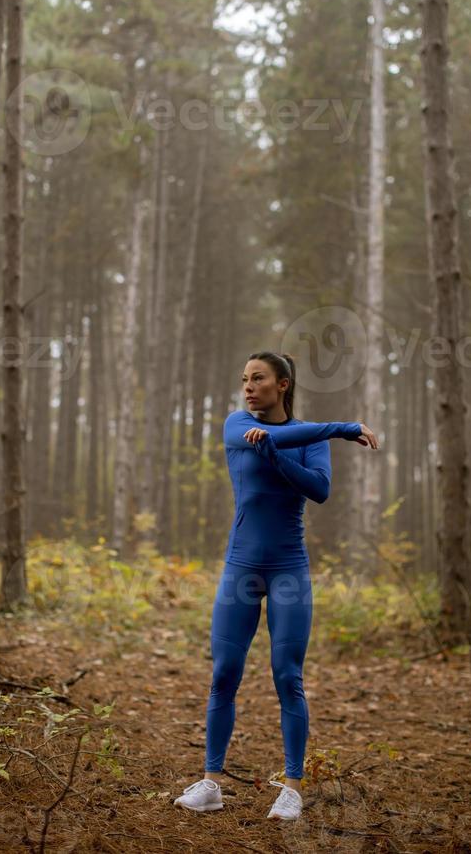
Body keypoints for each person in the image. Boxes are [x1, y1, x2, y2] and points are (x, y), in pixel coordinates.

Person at [174, 351, 378, 820]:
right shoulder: (235, 425)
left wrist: (277, 456)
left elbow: (320, 489)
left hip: (288, 569)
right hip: (240, 568)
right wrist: (344, 427)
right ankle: (211, 783)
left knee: (288, 675)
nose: (248, 387)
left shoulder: (303, 439)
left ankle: (292, 788)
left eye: (259, 378)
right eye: (244, 378)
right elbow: (275, 437)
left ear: (282, 385)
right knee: (224, 672)